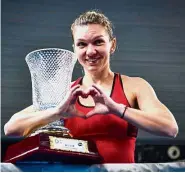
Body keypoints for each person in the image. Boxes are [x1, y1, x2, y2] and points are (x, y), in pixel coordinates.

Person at [4, 9, 178, 163]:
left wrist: (116, 109)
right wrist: (57, 112)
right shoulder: (66, 92)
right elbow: (11, 128)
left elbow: (169, 128)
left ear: (112, 45)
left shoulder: (134, 86)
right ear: (75, 49)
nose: (90, 51)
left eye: (98, 42)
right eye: (82, 44)